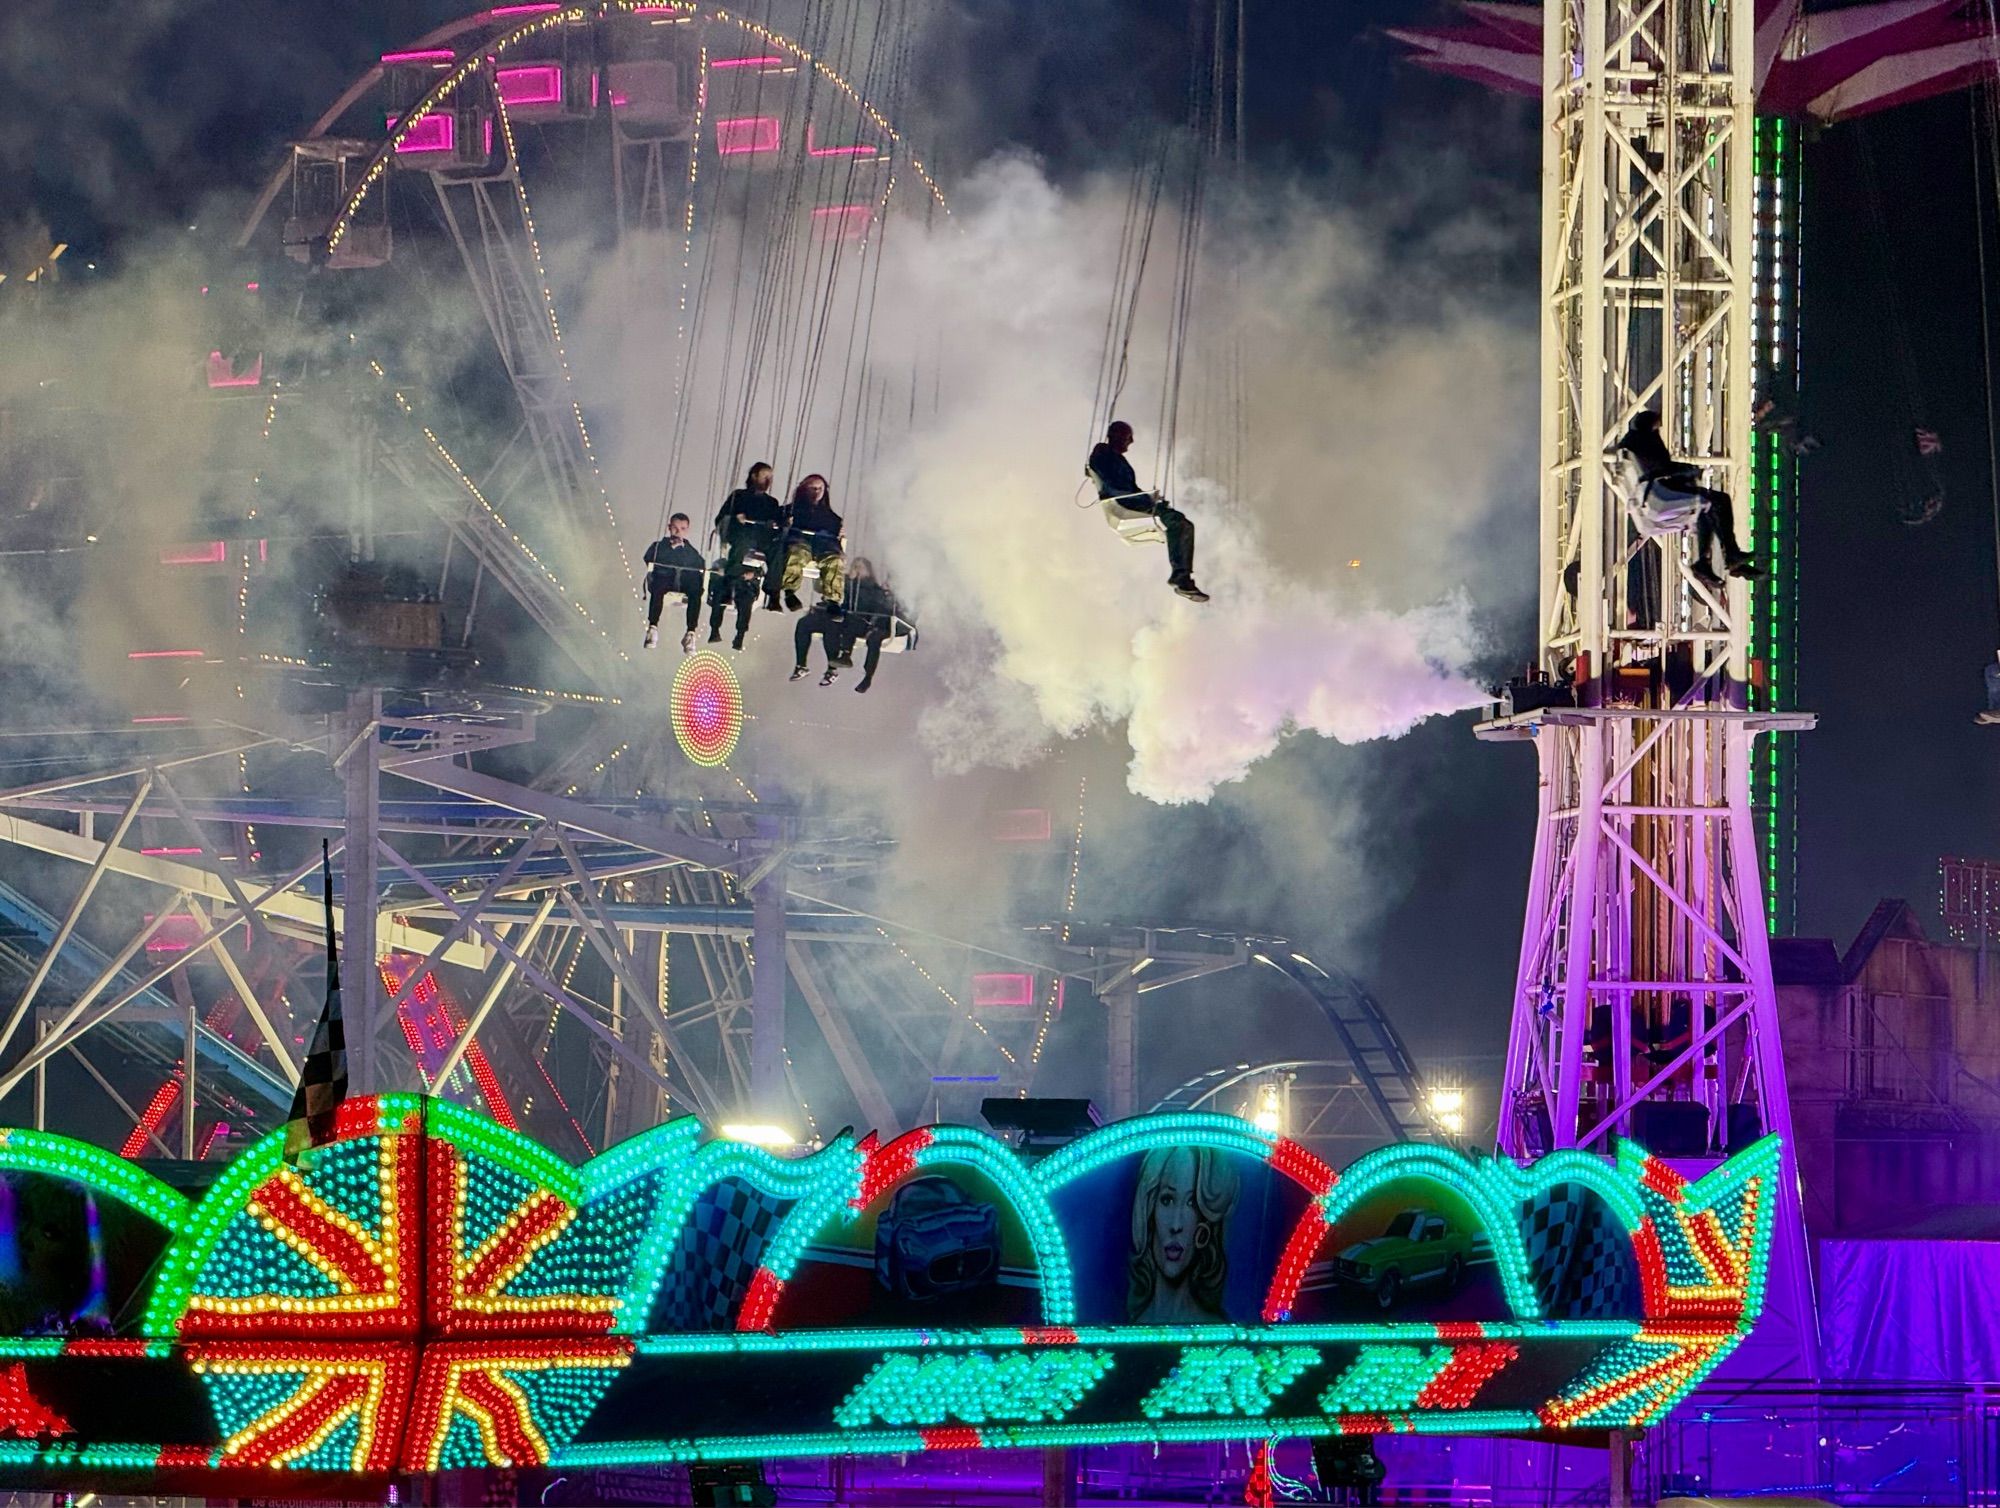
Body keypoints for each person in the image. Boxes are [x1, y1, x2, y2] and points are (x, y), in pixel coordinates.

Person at [1612, 410, 1765, 592]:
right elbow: (1663, 467)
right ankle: (1729, 555)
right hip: (1657, 497)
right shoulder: (1642, 442)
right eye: (1657, 426)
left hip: (1650, 505)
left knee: (1703, 510)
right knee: (1718, 501)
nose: (1658, 430)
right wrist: (1692, 471)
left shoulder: (1629, 447)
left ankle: (1714, 561)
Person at [1088, 421, 1207, 602]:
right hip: (1126, 504)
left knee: (1180, 523)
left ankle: (1181, 575)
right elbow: (1117, 487)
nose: (1132, 441)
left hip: (1130, 502)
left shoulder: (1111, 457)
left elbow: (1126, 486)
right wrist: (1147, 501)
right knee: (1180, 524)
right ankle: (1181, 577)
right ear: (1118, 436)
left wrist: (1150, 499)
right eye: (1128, 437)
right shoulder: (1105, 455)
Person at [1126, 1144, 1239, 1323]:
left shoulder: (1220, 1332)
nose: (1176, 1225)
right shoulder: (1126, 1331)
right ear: (1150, 1210)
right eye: (1167, 1199)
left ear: (1204, 1226)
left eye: (1192, 1203)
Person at [790, 556, 912, 690]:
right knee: (805, 623)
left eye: (861, 567)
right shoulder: (845, 583)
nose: (857, 570)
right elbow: (826, 590)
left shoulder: (874, 590)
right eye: (855, 567)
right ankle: (801, 665)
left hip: (859, 622)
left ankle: (834, 667)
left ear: (868, 571)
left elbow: (879, 607)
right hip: (841, 617)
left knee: (836, 624)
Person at [707, 463, 783, 650]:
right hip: (740, 535)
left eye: (770, 477)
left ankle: (774, 592)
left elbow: (779, 523)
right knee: (743, 540)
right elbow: (721, 519)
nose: (768, 480)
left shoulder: (772, 503)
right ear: (754, 476)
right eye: (765, 476)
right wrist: (735, 518)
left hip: (761, 539)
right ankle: (732, 580)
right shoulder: (738, 496)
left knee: (779, 548)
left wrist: (775, 524)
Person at [765, 474, 844, 613]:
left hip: (823, 546)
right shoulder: (790, 510)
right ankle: (789, 590)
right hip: (799, 542)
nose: (817, 492)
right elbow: (775, 524)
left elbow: (834, 536)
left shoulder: (832, 517)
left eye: (820, 488)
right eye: (813, 488)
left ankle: (833, 600)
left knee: (834, 561)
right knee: (798, 553)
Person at [640, 512, 706, 651]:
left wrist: (682, 549)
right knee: (658, 588)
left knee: (696, 591)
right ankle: (653, 627)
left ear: (687, 530)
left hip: (684, 583)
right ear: (669, 528)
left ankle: (691, 632)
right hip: (664, 579)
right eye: (675, 528)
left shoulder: (690, 550)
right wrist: (670, 549)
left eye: (682, 529)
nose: (678, 532)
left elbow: (700, 564)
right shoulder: (659, 546)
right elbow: (649, 557)